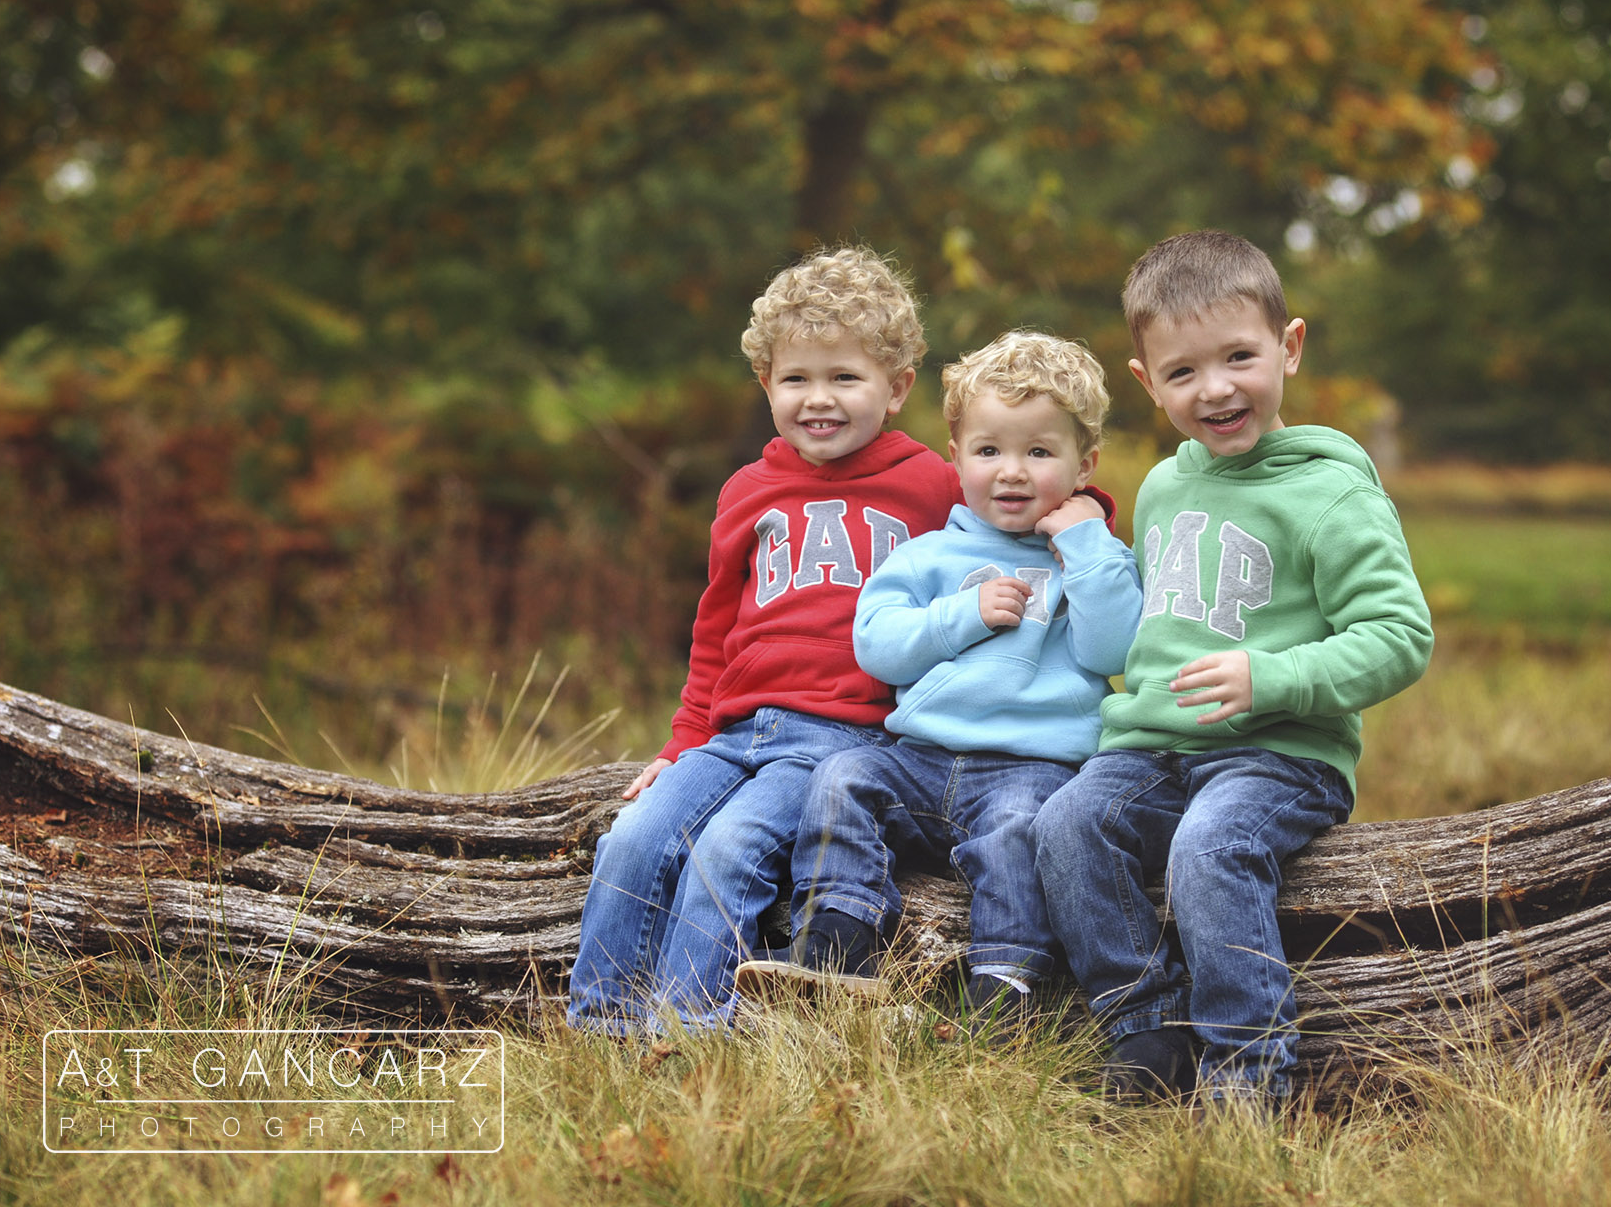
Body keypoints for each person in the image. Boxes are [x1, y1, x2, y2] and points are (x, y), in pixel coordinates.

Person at [1032, 230, 1434, 1108]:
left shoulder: (1332, 494)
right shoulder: (1169, 486)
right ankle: (1144, 1029)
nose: (1214, 389)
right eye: (1181, 373)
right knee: (1065, 827)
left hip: (1278, 752)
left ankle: (1248, 1075)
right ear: (1147, 383)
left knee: (1207, 849)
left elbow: (1401, 635)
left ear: (1289, 347)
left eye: (1239, 357)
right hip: (1152, 748)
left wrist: (1273, 678)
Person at [566, 245, 961, 1034]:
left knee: (730, 851)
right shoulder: (748, 490)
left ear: (897, 387)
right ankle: (601, 1029)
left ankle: (686, 1031)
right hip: (735, 731)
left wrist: (1080, 501)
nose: (820, 400)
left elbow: (1019, 499)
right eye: (796, 379)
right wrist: (681, 746)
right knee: (635, 839)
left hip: (840, 738)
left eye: (845, 378)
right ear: (765, 383)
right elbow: (714, 633)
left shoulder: (932, 486)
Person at [734, 330, 1141, 1027]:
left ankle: (1004, 980)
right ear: (956, 459)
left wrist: (1086, 543)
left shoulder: (1094, 562)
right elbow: (880, 648)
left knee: (1019, 831)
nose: (1011, 472)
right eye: (989, 451)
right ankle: (837, 939)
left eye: (1039, 452)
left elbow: (1114, 650)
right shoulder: (926, 555)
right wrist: (962, 617)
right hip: (918, 760)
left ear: (1085, 464)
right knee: (840, 781)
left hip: (1031, 767)